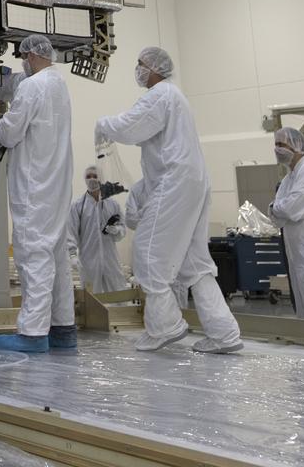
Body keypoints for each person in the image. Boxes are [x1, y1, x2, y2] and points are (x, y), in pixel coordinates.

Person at [94, 46, 242, 354]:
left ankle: (165, 326)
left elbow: (132, 127)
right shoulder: (174, 96)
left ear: (155, 68)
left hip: (175, 181)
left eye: (141, 64)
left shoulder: (160, 94)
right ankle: (224, 332)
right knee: (195, 263)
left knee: (147, 252)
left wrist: (103, 124)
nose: (137, 69)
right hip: (193, 181)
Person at [0, 33, 76, 354]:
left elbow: (10, 132)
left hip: (34, 185)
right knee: (57, 257)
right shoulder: (59, 84)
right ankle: (63, 330)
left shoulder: (31, 86)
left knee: (33, 255)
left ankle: (33, 333)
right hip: (56, 184)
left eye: (22, 57)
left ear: (30, 55)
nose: (22, 63)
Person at [269, 127, 304, 320]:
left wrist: (278, 207)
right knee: (302, 302)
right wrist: (279, 208)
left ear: (296, 145)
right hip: (296, 251)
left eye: (281, 144)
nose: (277, 149)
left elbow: (291, 209)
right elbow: (276, 216)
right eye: (276, 144)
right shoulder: (288, 178)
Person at [68, 166, 128, 293]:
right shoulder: (77, 206)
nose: (92, 179)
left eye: (95, 176)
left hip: (110, 260)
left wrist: (116, 230)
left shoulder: (113, 204)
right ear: (84, 179)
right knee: (91, 297)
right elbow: (71, 232)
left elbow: (123, 228)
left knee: (117, 293)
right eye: (88, 176)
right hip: (88, 262)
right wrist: (72, 254)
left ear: (101, 178)